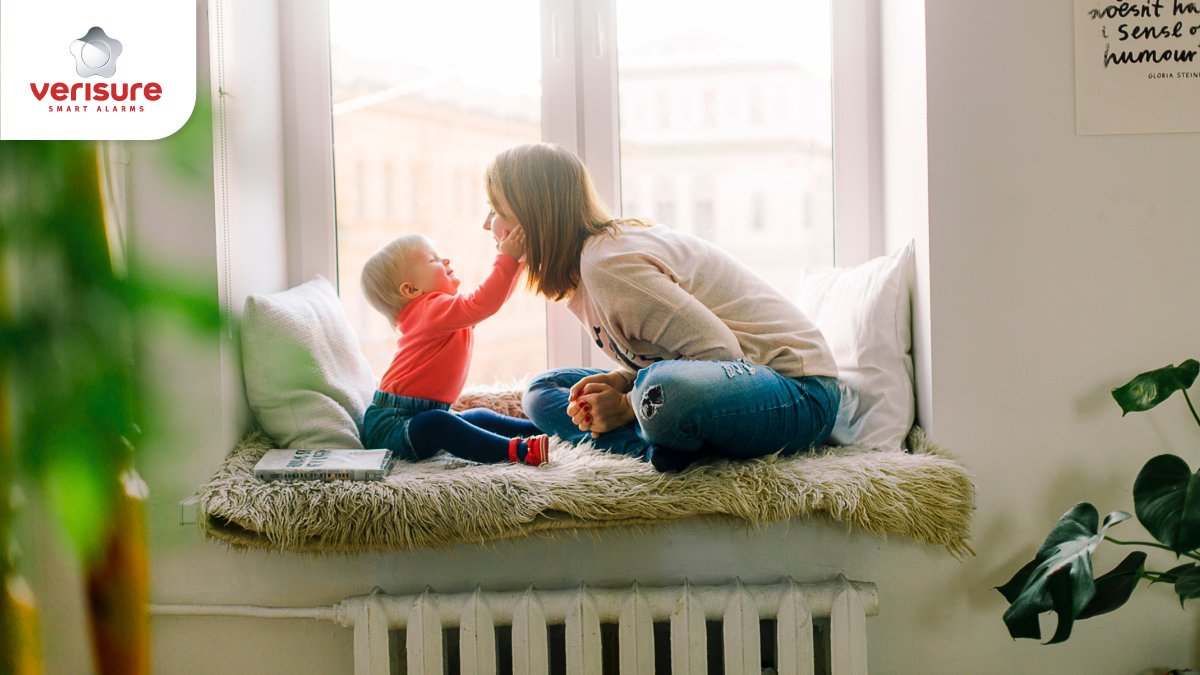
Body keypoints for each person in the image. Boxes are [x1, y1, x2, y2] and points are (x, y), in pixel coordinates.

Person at [484, 142, 840, 471]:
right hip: (724, 384)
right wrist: (625, 381)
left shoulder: (607, 265)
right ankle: (658, 447)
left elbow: (722, 353)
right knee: (543, 390)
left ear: (534, 217)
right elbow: (674, 359)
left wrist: (625, 405)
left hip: (799, 392)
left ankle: (656, 439)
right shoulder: (583, 272)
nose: (488, 224)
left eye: (497, 210)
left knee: (662, 392)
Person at [359, 226, 550, 466]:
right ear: (411, 289)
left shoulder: (440, 314)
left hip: (418, 415)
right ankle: (518, 451)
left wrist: (518, 262)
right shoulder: (430, 310)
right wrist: (509, 259)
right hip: (392, 426)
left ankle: (543, 430)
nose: (445, 260)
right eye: (433, 260)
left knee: (478, 417)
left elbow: (491, 302)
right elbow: (484, 302)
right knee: (439, 424)